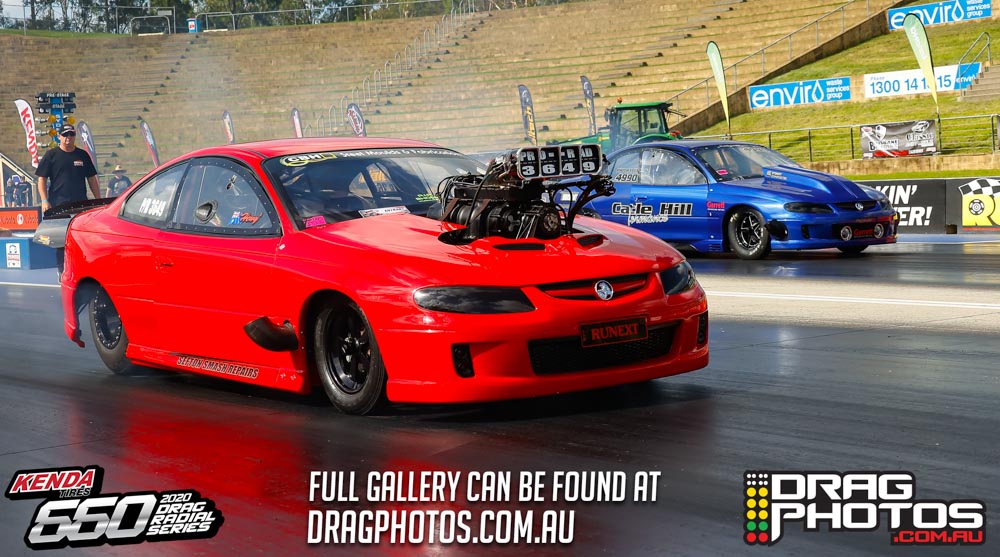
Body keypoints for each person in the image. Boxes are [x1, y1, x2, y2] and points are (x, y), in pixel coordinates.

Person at [35, 124, 101, 275]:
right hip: (59, 204)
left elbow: (91, 178)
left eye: (71, 134)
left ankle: (81, 270)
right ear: (59, 136)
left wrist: (98, 199)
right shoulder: (51, 155)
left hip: (81, 204)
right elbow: (42, 179)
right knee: (61, 239)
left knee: (81, 237)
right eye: (65, 135)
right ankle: (62, 270)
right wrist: (44, 200)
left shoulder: (82, 155)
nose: (68, 138)